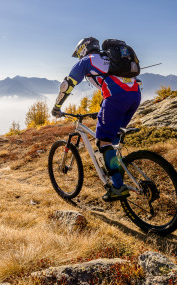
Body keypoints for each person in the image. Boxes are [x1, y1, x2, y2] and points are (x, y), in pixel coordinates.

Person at [51, 37, 142, 202]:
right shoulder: (111, 59)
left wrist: (57, 107)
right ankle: (118, 173)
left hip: (116, 98)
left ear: (83, 49)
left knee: (103, 142)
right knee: (113, 140)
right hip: (135, 95)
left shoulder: (87, 61)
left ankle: (117, 187)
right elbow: (113, 82)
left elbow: (67, 85)